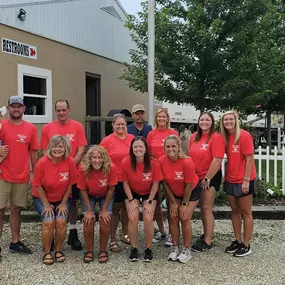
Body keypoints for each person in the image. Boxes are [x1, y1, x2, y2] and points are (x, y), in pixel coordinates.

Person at [40, 100, 87, 251]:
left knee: (71, 201)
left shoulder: (77, 126)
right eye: (58, 110)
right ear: (55, 111)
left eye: (64, 110)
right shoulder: (48, 128)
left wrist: (70, 165)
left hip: (72, 172)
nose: (61, 113)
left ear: (69, 110)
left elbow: (81, 150)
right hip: (52, 173)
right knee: (52, 201)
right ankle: (51, 235)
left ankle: (73, 232)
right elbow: (44, 151)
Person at [0, 96, 38, 255]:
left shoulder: (31, 129)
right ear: (8, 108)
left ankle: (15, 242)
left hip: (21, 176)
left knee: (16, 210)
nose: (16, 109)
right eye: (13, 106)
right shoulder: (1, 125)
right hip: (2, 175)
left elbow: (34, 152)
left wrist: (36, 174)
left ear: (24, 108)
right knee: (0, 210)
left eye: (19, 106)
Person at [32, 135, 77, 265]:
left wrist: (64, 203)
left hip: (62, 198)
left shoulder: (70, 162)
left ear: (65, 148)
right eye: (55, 146)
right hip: (42, 198)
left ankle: (58, 250)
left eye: (60, 146)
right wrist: (46, 204)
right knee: (49, 221)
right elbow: (37, 185)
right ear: (50, 148)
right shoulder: (42, 162)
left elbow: (70, 184)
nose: (57, 149)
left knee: (61, 221)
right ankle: (46, 252)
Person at [159, 135, 201, 263]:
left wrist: (184, 203)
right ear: (164, 148)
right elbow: (164, 183)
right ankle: (176, 247)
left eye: (173, 146)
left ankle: (187, 249)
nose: (170, 149)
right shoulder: (161, 160)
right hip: (175, 192)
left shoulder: (187, 162)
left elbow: (189, 185)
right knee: (173, 216)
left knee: (184, 216)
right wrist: (172, 202)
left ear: (178, 147)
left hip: (190, 191)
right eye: (168, 146)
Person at [121, 136, 163, 262]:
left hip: (149, 192)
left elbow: (156, 184)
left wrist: (149, 201)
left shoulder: (153, 162)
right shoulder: (126, 162)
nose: (138, 149)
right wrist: (131, 200)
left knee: (148, 217)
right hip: (132, 191)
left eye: (141, 146)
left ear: (145, 148)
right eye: (135, 146)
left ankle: (148, 248)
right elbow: (125, 183)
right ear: (132, 148)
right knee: (132, 216)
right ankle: (133, 248)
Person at [220, 110, 256, 257]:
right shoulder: (226, 137)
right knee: (234, 211)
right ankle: (238, 240)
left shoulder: (244, 136)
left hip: (243, 180)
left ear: (236, 120)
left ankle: (247, 244)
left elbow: (249, 159)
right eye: (225, 120)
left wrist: (246, 179)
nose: (228, 122)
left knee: (246, 213)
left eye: (230, 119)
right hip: (230, 179)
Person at [189, 112, 225, 252]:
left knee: (206, 207)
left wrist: (207, 178)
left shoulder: (216, 138)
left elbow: (217, 160)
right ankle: (206, 234)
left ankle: (208, 241)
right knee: (202, 209)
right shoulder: (194, 137)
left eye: (207, 120)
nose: (204, 122)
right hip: (196, 177)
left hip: (210, 177)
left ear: (212, 122)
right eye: (202, 119)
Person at [100, 114, 134, 252]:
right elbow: (100, 160)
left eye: (123, 124)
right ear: (113, 125)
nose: (120, 126)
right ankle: (112, 239)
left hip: (130, 180)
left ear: (126, 125)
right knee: (114, 210)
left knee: (127, 208)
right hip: (114, 180)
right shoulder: (107, 141)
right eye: (117, 124)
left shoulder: (132, 139)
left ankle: (125, 234)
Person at [77, 145, 117, 263]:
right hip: (88, 195)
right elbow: (82, 190)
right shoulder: (83, 168)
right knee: (88, 220)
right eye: (94, 157)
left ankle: (103, 250)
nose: (97, 160)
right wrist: (89, 211)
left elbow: (111, 189)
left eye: (100, 157)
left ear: (104, 158)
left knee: (105, 219)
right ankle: (89, 250)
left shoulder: (111, 168)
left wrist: (104, 210)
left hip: (105, 194)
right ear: (90, 158)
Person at [146, 108, 178, 245]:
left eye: (163, 117)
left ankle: (173, 233)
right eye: (159, 117)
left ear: (167, 118)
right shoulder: (151, 133)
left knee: (172, 202)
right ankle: (160, 231)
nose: (161, 119)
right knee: (156, 202)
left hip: (170, 171)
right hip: (155, 172)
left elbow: (178, 151)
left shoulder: (173, 133)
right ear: (156, 118)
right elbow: (147, 152)